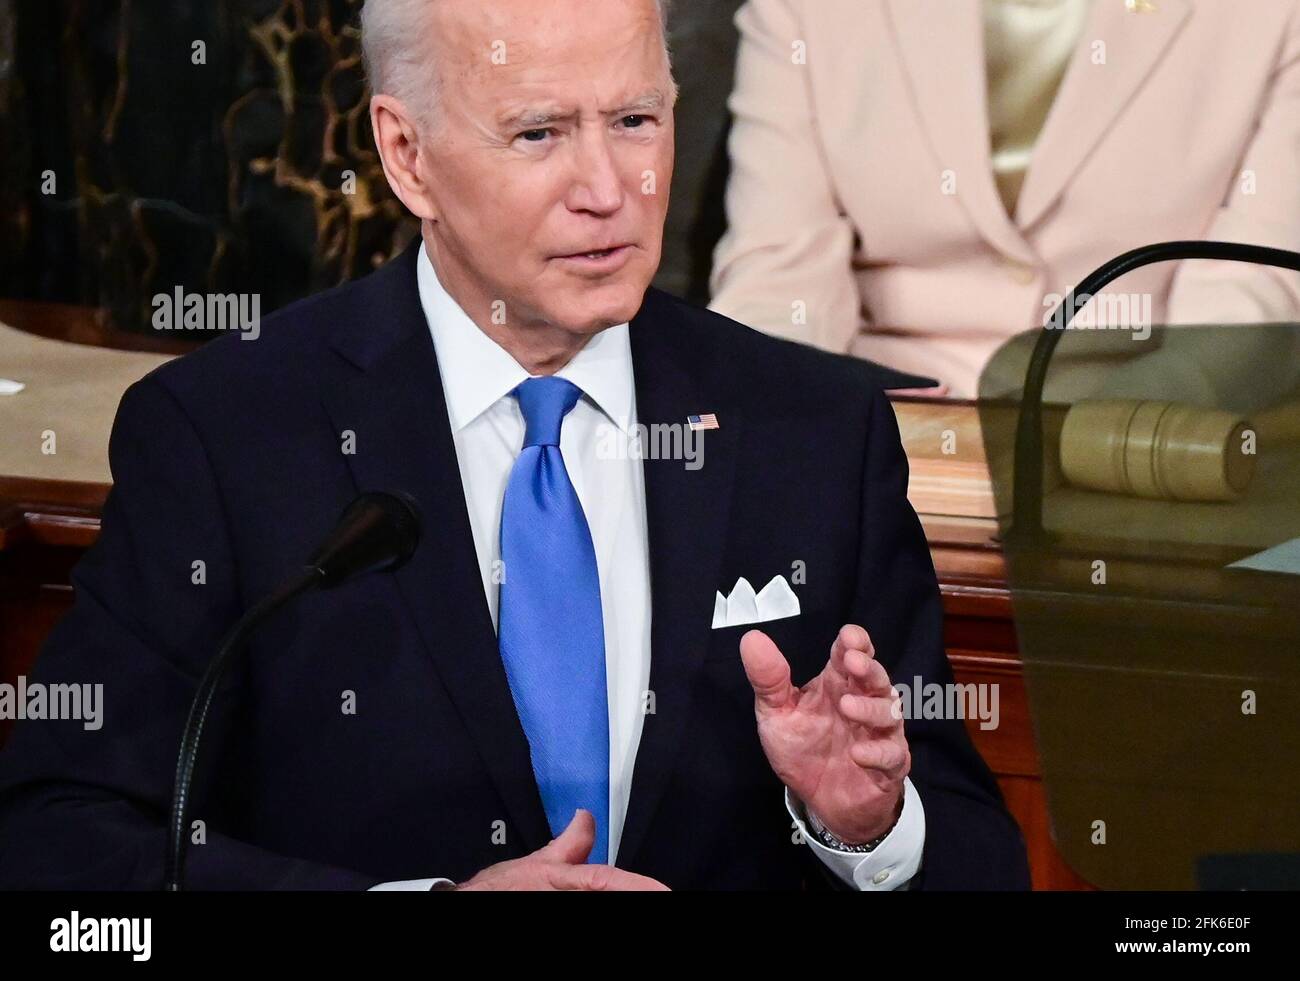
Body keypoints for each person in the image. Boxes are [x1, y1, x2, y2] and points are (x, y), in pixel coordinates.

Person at [0, 0, 1028, 890]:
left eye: (635, 120)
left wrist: (866, 830)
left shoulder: (812, 431)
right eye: (538, 134)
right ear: (407, 155)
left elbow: (979, 859)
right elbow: (60, 840)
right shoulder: (228, 435)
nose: (608, 187)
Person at [710, 0, 1300, 403]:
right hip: (879, 431)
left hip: (1137, 433)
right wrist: (785, 439)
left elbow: (1249, 296)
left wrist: (1130, 432)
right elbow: (778, 283)